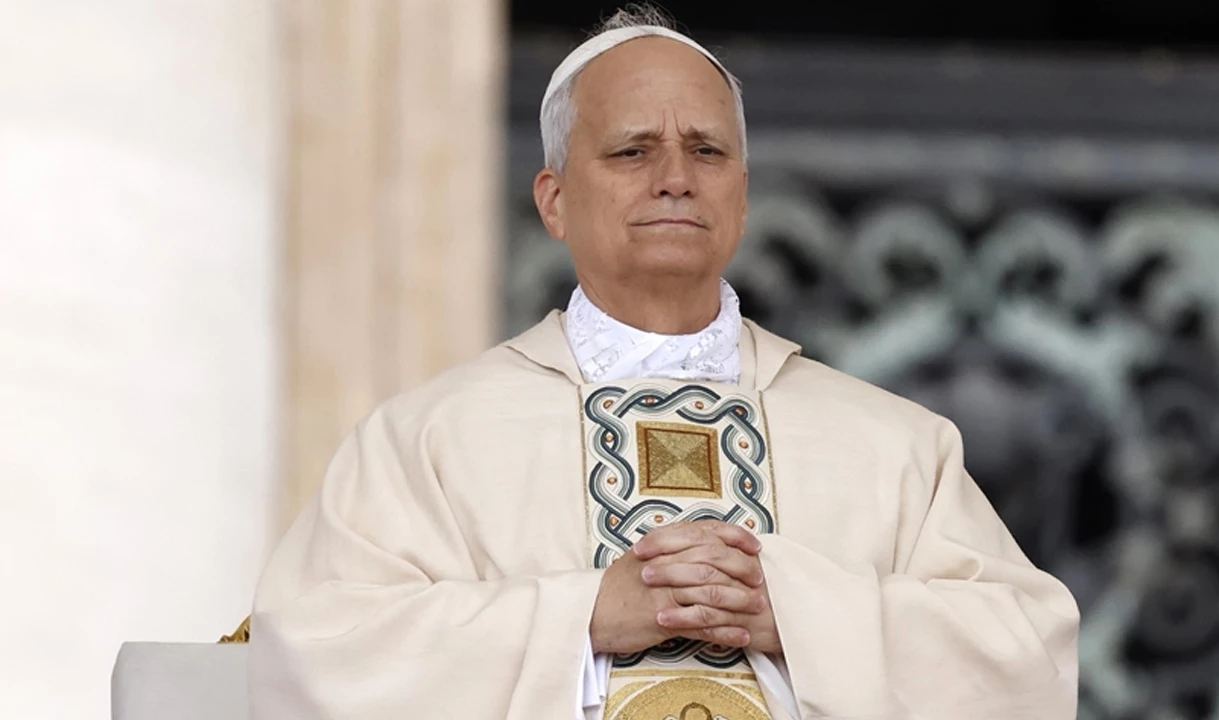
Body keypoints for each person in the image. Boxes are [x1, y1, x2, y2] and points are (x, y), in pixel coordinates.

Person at [248, 6, 1080, 719]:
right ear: (554, 201)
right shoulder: (427, 442)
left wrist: (798, 614)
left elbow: (1029, 657)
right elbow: (310, 653)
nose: (676, 178)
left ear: (743, 200)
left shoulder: (894, 447)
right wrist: (582, 619)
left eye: (707, 151)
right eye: (632, 151)